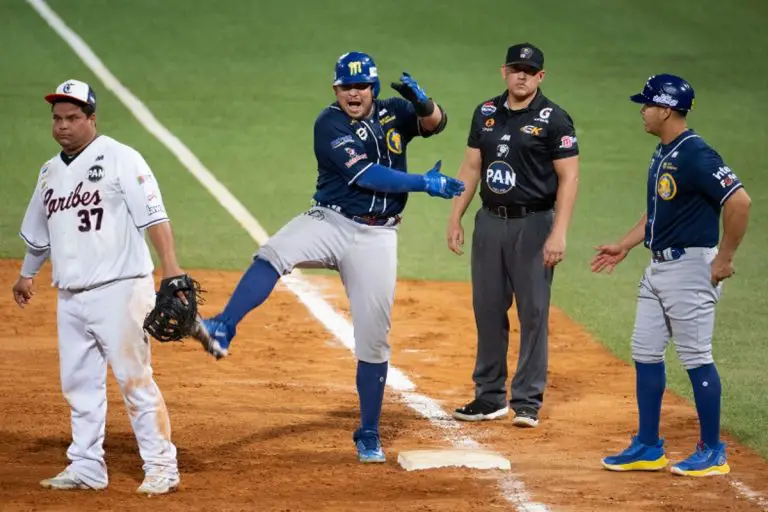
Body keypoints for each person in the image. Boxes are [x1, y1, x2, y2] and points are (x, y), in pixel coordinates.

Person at [192, 52, 463, 462]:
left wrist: (423, 103)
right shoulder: (329, 124)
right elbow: (367, 174)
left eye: (361, 86)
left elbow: (436, 124)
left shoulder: (393, 112)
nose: (353, 94)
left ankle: (368, 433)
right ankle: (223, 327)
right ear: (335, 90)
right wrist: (424, 182)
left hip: (378, 236)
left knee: (373, 340)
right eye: (345, 87)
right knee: (274, 251)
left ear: (373, 88)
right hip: (330, 220)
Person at [13, 79, 190, 494]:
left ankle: (162, 466)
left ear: (92, 119)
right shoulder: (49, 172)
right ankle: (87, 466)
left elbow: (155, 218)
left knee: (134, 379)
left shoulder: (121, 158)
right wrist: (27, 273)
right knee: (79, 385)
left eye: (73, 118)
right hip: (70, 295)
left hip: (121, 290)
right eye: (57, 119)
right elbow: (41, 234)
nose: (63, 126)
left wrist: (172, 270)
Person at [593, 74, 751, 476]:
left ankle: (713, 450)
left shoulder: (697, 155)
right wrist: (626, 244)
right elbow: (659, 210)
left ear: (665, 109)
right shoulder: (664, 151)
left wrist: (725, 259)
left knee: (697, 358)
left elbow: (740, 201)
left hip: (690, 270)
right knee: (645, 352)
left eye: (646, 105)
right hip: (658, 267)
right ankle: (648, 445)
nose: (641, 111)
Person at [448, 43, 580, 428]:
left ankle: (526, 401)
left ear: (541, 76)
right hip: (489, 221)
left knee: (533, 312)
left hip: (534, 223)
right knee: (487, 309)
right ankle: (489, 397)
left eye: (530, 70)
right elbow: (471, 167)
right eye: (515, 68)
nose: (521, 75)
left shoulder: (555, 119)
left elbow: (569, 177)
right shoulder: (486, 113)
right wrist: (455, 214)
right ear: (503, 71)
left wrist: (559, 233)